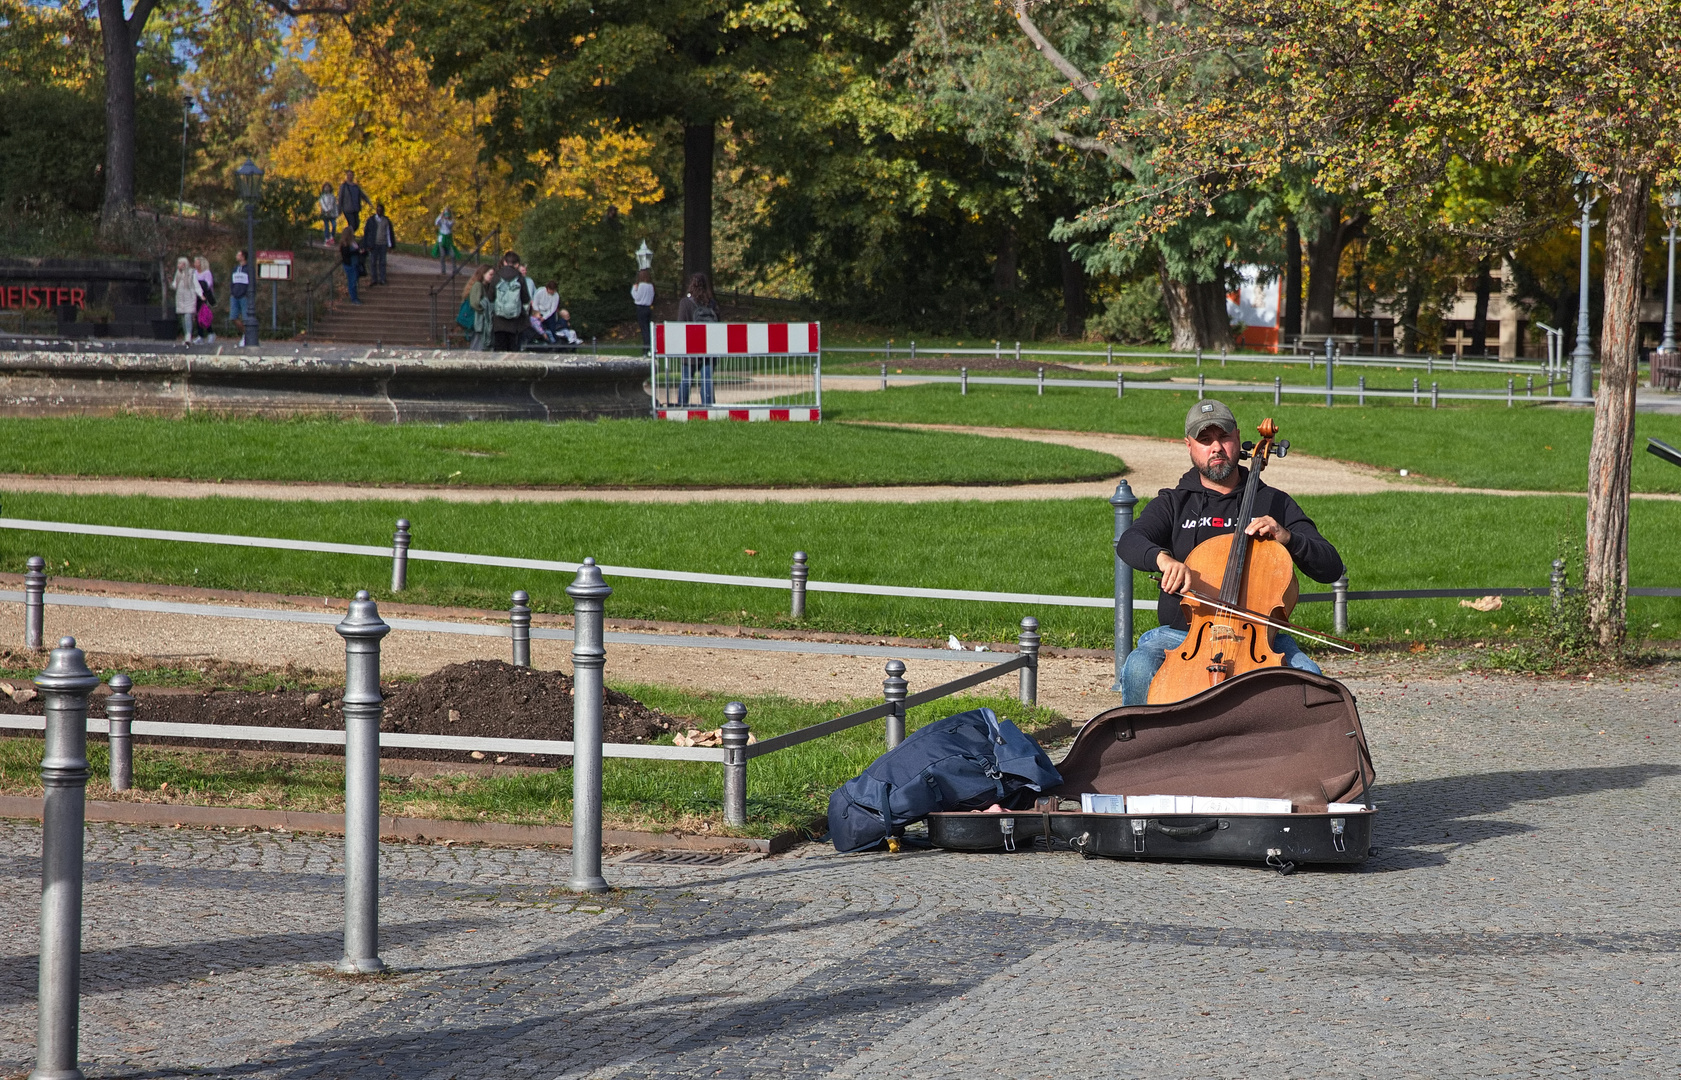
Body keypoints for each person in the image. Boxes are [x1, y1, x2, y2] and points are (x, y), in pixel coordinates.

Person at [1115, 399, 1345, 706]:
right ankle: (1139, 752)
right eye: (1205, 440)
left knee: (1310, 678)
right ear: (1189, 446)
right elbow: (1132, 540)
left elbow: (1330, 565)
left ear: (1237, 439)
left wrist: (1287, 537)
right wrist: (1163, 559)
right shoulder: (1174, 502)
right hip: (1183, 636)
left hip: (1259, 639)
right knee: (1139, 667)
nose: (1216, 447)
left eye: (1223, 437)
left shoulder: (1274, 503)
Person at [676, 271, 719, 405]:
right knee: (707, 381)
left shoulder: (685, 303)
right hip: (709, 350)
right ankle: (709, 407)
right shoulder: (711, 304)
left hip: (690, 350)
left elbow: (680, 325)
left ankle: (681, 407)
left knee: (686, 381)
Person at [489, 251, 530, 352]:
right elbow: (526, 299)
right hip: (515, 323)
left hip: (499, 321)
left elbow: (490, 296)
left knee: (499, 351)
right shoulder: (520, 278)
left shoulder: (497, 276)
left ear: (504, 262)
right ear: (517, 265)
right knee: (513, 352)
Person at [171, 256, 203, 342]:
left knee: (188, 316)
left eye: (179, 263)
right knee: (183, 317)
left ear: (184, 264)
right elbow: (175, 284)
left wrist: (200, 294)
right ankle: (186, 335)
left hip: (189, 297)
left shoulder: (191, 273)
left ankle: (188, 335)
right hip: (180, 298)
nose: (178, 265)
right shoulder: (178, 274)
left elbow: (196, 285)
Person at [363, 204, 396, 286]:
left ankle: (382, 279)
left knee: (382, 262)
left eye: (381, 210)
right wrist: (366, 244)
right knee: (373, 262)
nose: (379, 212)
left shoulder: (386, 221)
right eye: (378, 210)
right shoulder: (371, 220)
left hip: (383, 244)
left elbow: (388, 233)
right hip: (373, 244)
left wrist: (390, 244)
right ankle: (374, 279)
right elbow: (367, 233)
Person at [469, 265, 495, 350]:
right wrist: (485, 309)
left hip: (482, 321)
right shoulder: (478, 285)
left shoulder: (486, 286)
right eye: (490, 274)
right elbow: (475, 303)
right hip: (479, 321)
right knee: (477, 344)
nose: (492, 277)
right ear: (483, 274)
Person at [193, 256, 217, 343]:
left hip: (204, 296)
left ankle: (210, 332)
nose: (195, 264)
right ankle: (200, 335)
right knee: (197, 316)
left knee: (204, 315)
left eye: (197, 262)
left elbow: (208, 284)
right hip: (196, 296)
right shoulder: (194, 273)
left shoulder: (207, 273)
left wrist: (200, 285)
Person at [228, 250, 251, 339]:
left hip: (244, 296)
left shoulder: (248, 269)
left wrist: (247, 293)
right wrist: (232, 292)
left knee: (246, 318)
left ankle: (248, 336)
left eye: (238, 254)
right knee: (233, 317)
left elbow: (250, 283)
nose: (236, 256)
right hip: (234, 296)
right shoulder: (235, 269)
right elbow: (232, 282)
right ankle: (246, 334)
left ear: (243, 257)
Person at [630, 268, 655, 349]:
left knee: (644, 328)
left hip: (641, 308)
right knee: (647, 327)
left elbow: (637, 297)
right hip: (648, 308)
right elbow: (652, 298)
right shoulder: (651, 286)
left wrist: (634, 289)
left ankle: (646, 347)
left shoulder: (641, 285)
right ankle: (650, 346)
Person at [338, 229, 363, 304]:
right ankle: (354, 298)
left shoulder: (353, 242)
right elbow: (346, 254)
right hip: (350, 264)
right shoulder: (345, 244)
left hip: (355, 263)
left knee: (354, 280)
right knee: (352, 281)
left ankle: (354, 297)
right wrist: (356, 252)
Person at [337, 170, 366, 235]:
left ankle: (347, 235)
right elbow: (340, 198)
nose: (350, 176)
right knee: (352, 224)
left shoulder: (356, 187)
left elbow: (362, 195)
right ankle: (349, 237)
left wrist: (369, 202)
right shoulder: (344, 186)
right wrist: (339, 209)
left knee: (356, 225)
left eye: (351, 175)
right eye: (348, 175)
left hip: (355, 208)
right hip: (347, 209)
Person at [435, 207, 457, 275]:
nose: (447, 217)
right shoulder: (441, 221)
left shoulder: (449, 221)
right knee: (442, 255)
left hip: (448, 239)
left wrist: (452, 222)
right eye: (445, 215)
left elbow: (449, 226)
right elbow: (436, 223)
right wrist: (441, 215)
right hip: (442, 240)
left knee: (453, 255)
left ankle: (455, 269)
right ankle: (443, 270)